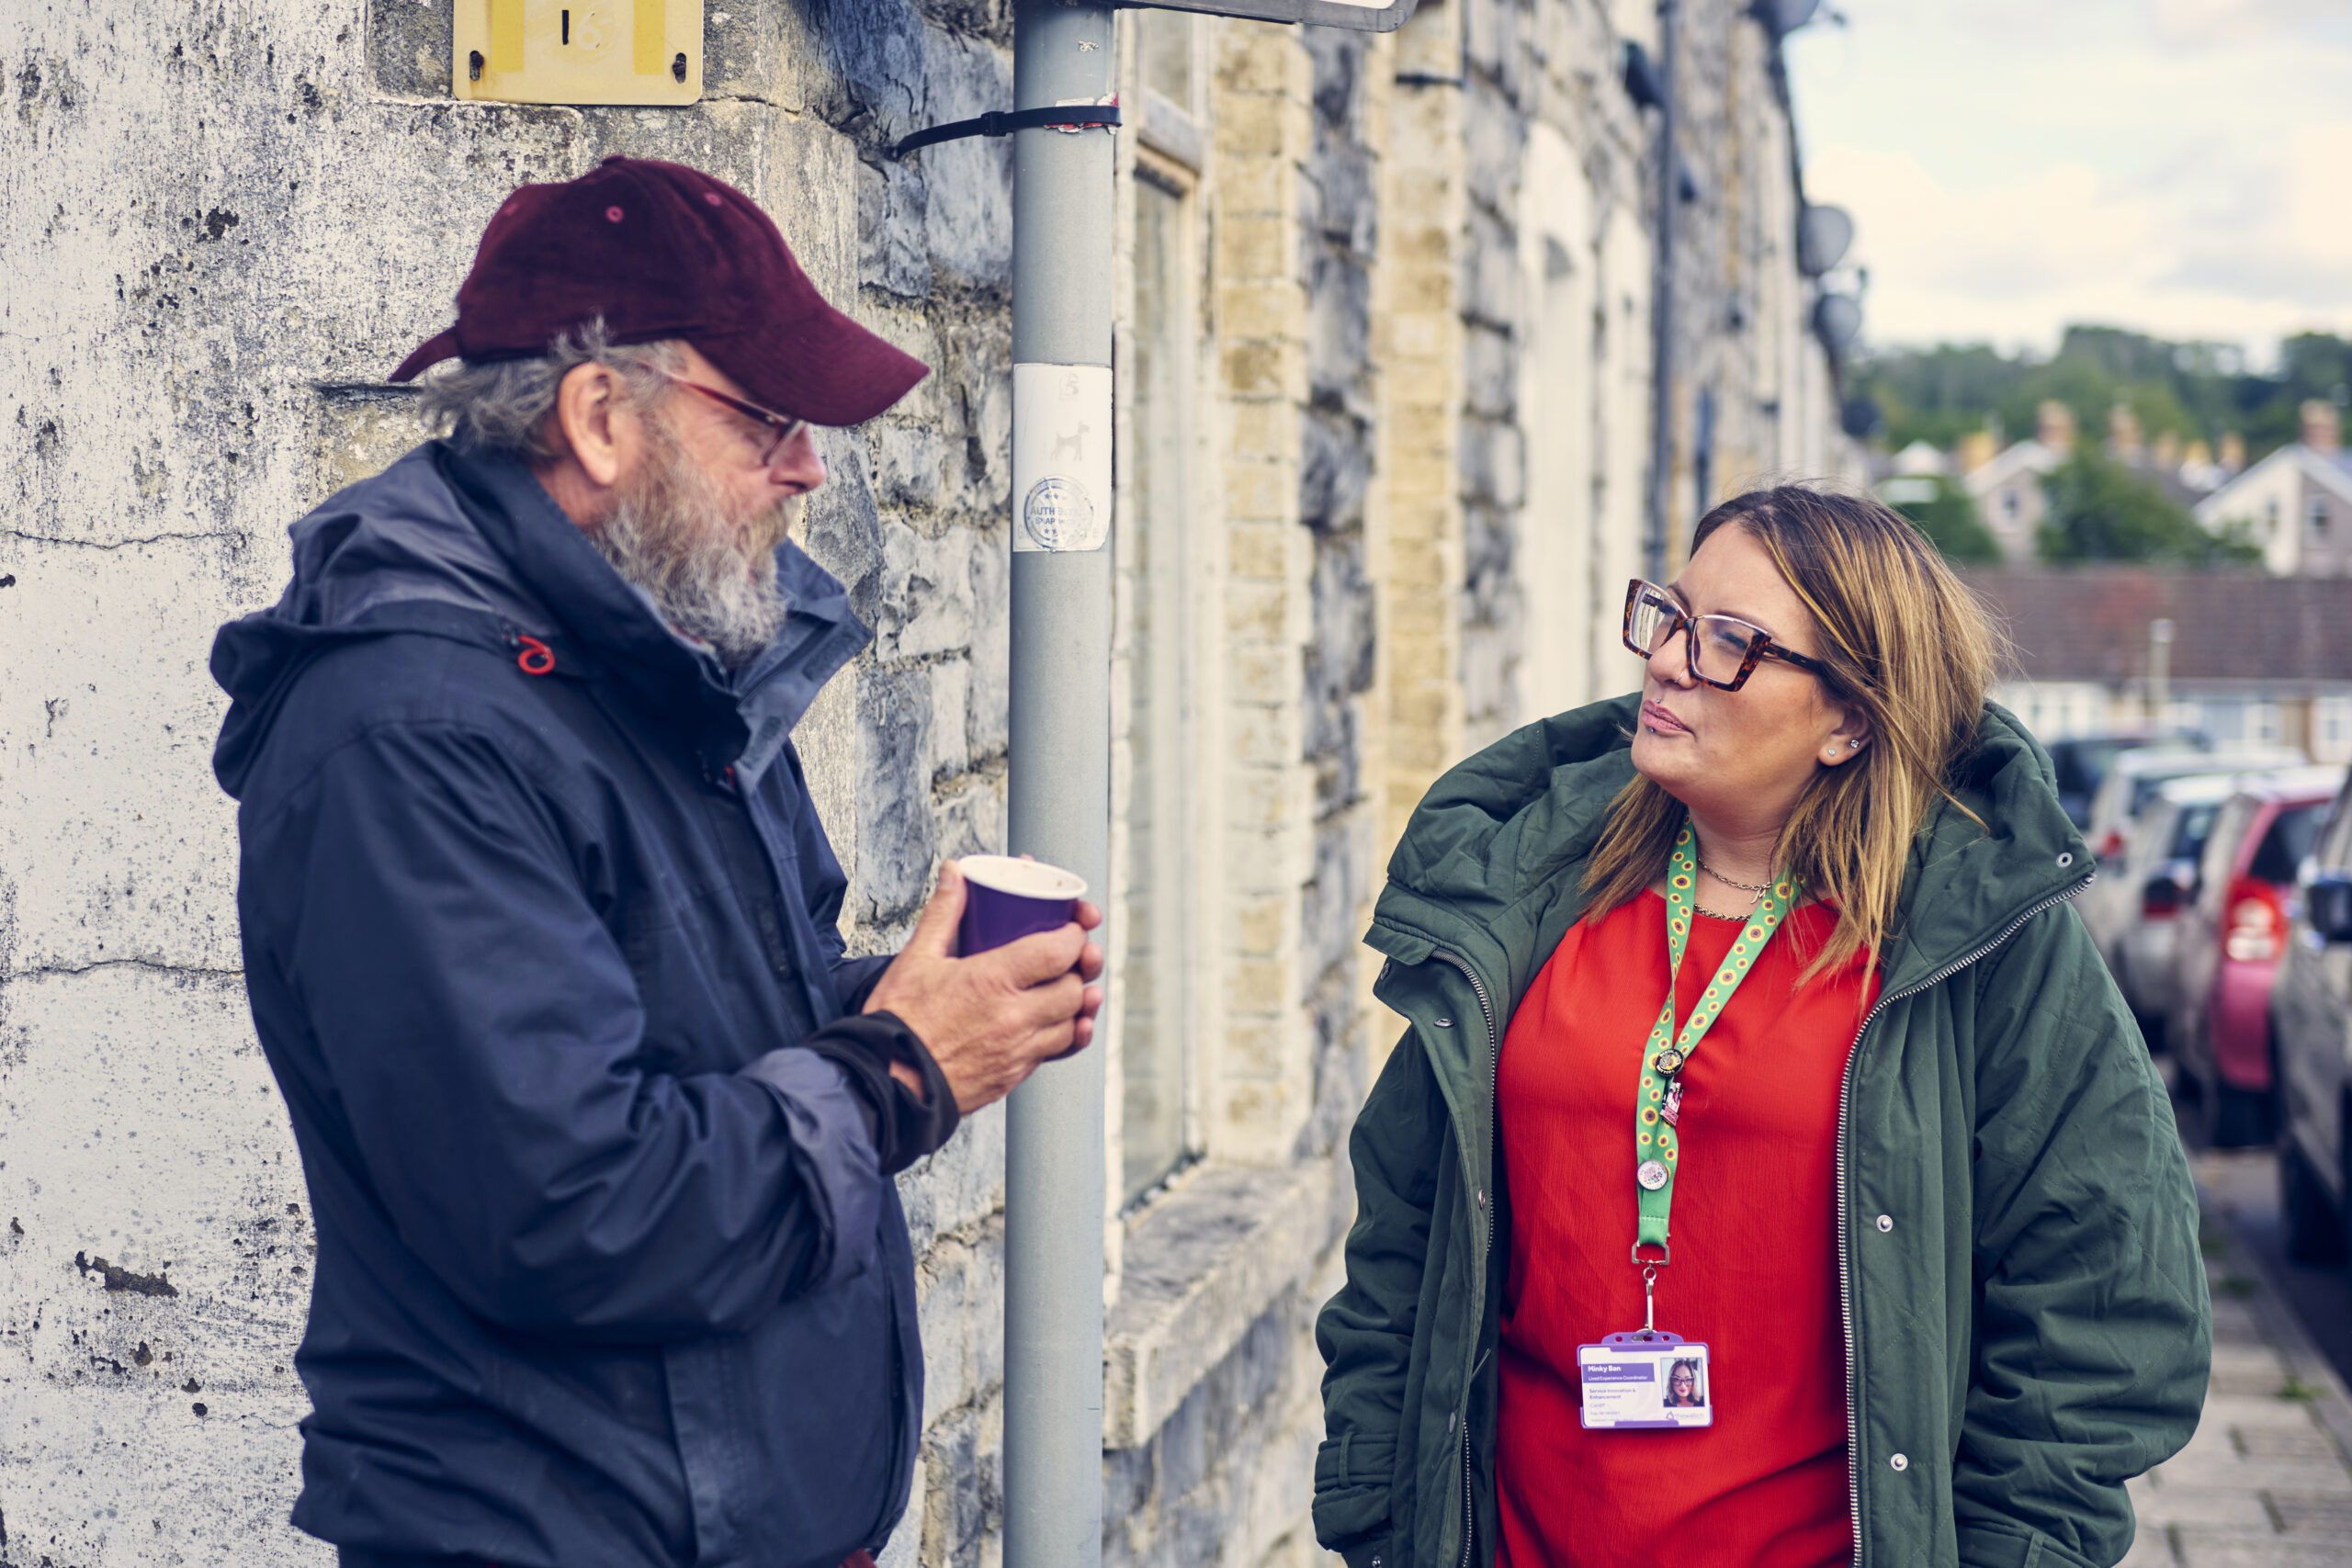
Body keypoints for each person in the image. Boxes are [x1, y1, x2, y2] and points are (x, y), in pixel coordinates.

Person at [209, 156, 1103, 1568]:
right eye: (769, 418)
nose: (809, 463)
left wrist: (939, 1001)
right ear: (600, 415)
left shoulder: (657, 669)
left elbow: (707, 1029)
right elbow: (575, 1206)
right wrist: (902, 1065)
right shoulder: (412, 732)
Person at [1312, 488, 2208, 1568]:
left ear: (1849, 720)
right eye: (1671, 615)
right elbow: (1404, 1233)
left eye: (1732, 642)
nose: (1672, 661)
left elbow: (2107, 1297)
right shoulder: (1525, 896)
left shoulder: (1974, 943)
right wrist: (1376, 1516)